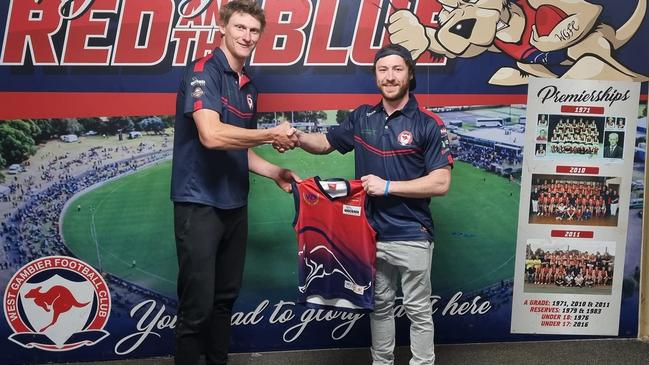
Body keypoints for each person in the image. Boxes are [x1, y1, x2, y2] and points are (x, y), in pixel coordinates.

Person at [293, 43, 452, 365]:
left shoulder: (428, 123)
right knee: (378, 305)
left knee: (418, 309)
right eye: (383, 70)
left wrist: (388, 186)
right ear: (376, 76)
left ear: (409, 74)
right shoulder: (362, 117)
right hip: (370, 233)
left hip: (412, 233)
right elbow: (324, 143)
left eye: (397, 69)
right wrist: (294, 136)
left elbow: (441, 182)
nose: (389, 76)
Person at [170, 1, 300, 364]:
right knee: (196, 309)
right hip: (199, 204)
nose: (246, 36)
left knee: (224, 301)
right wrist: (270, 133)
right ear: (222, 28)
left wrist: (275, 171)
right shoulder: (203, 72)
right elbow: (212, 135)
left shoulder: (248, 85)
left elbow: (237, 147)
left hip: (234, 205)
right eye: (240, 27)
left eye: (254, 30)